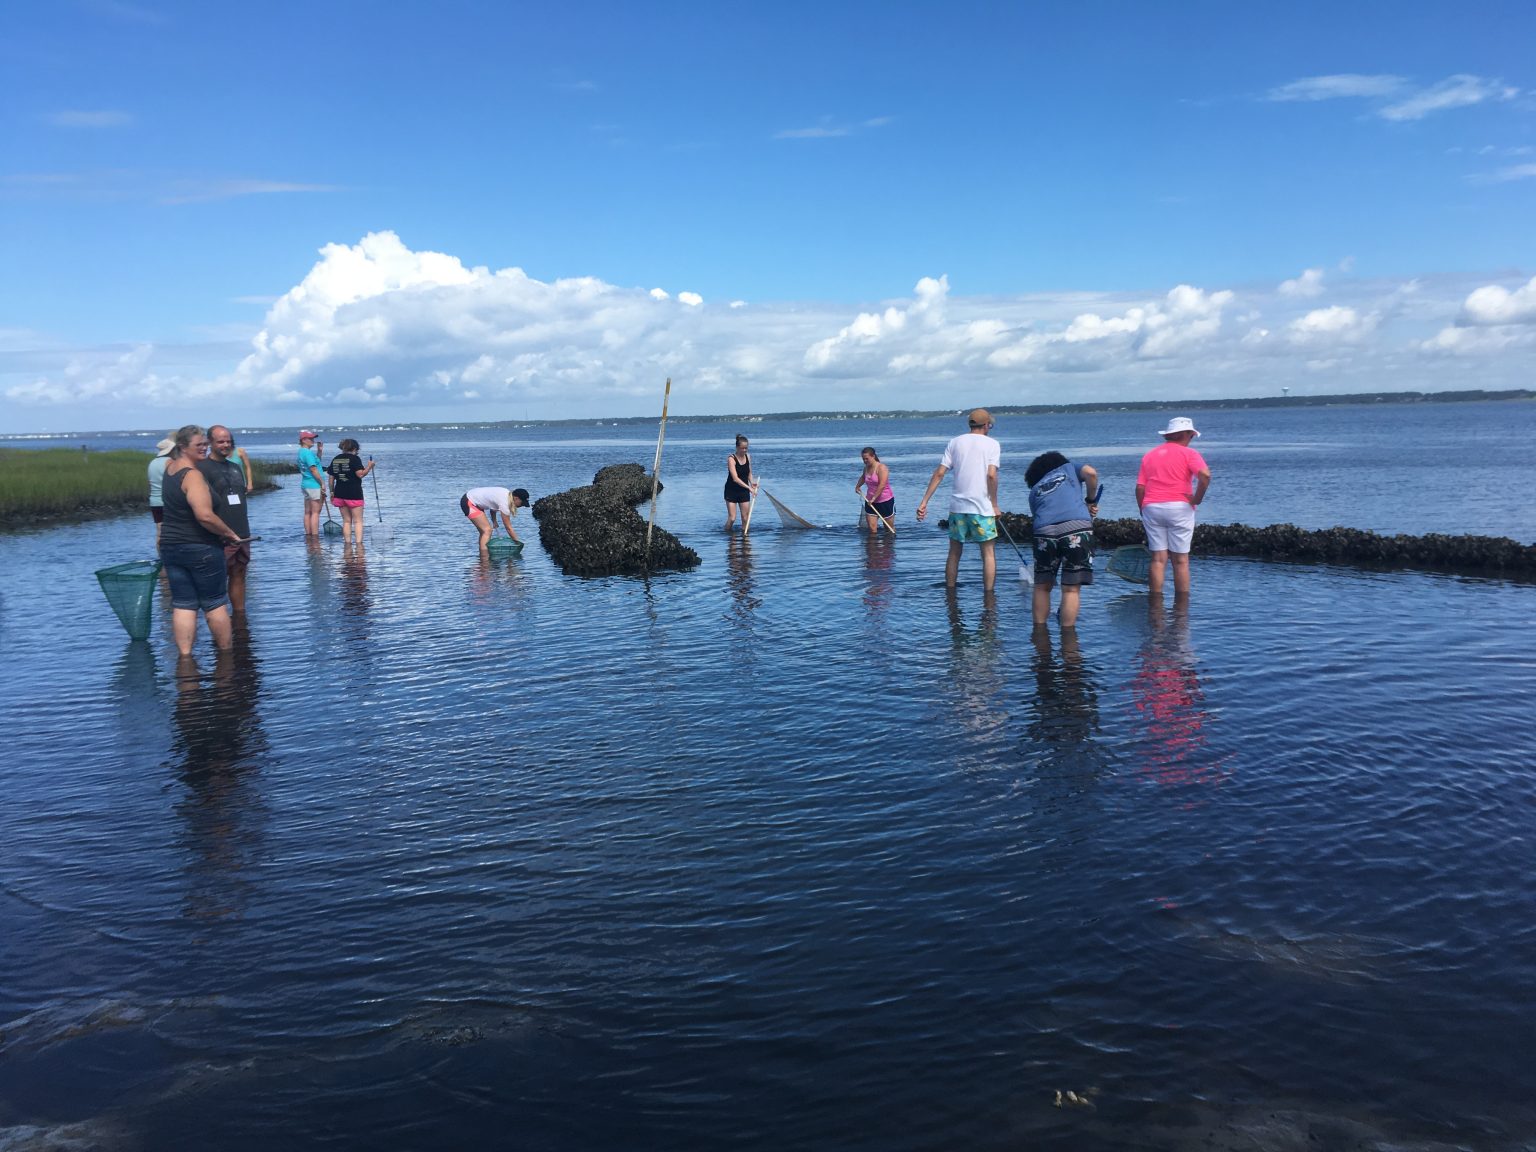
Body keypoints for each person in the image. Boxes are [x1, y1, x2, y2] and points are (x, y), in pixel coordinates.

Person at [160, 425, 245, 656]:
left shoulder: (169, 469)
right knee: (215, 603)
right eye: (199, 445)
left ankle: (185, 658)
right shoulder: (193, 475)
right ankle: (227, 655)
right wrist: (229, 533)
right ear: (182, 447)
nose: (204, 449)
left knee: (183, 603)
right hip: (200, 547)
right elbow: (204, 515)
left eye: (205, 444)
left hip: (170, 547)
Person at [916, 409, 1001, 591]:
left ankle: (950, 591)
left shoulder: (954, 442)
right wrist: (994, 505)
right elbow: (992, 475)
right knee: (988, 554)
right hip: (982, 508)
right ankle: (989, 596)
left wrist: (924, 502)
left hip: (957, 508)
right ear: (986, 425)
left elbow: (940, 473)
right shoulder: (992, 444)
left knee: (954, 553)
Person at [1135, 416, 1212, 602]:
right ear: (1186, 435)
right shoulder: (1190, 454)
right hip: (1180, 507)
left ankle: (1155, 605)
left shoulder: (1150, 455)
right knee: (1181, 561)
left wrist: (1143, 509)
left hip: (1151, 506)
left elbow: (1140, 488)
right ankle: (1181, 609)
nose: (1191, 439)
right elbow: (1205, 476)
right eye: (1191, 435)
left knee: (1158, 559)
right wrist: (1197, 499)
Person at [1025, 450, 1100, 627]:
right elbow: (1091, 473)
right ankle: (1068, 640)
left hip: (1044, 532)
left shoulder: (1034, 491)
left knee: (1042, 586)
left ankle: (1040, 635)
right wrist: (1090, 500)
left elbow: (1038, 516)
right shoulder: (1068, 468)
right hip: (1076, 528)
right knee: (1071, 589)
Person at [203, 425, 253, 613]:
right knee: (217, 579)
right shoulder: (202, 468)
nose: (225, 445)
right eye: (220, 441)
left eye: (228, 441)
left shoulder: (234, 467)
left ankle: (240, 619)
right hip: (218, 536)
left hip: (242, 532)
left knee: (239, 574)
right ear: (210, 443)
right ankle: (219, 620)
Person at [326, 439, 376, 547]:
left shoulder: (335, 459)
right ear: (354, 449)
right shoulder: (355, 459)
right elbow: (360, 474)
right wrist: (369, 466)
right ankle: (359, 545)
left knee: (346, 521)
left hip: (339, 493)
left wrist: (331, 492)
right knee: (358, 521)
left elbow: (331, 479)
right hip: (354, 493)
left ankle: (347, 544)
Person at [462, 486, 530, 549]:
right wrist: (518, 543)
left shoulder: (506, 494)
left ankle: (482, 557)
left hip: (472, 499)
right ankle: (484, 558)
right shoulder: (505, 503)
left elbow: (492, 507)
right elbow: (508, 528)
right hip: (469, 501)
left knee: (484, 532)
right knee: (487, 530)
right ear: (516, 498)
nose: (522, 505)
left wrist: (494, 521)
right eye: (522, 503)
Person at [854, 446, 896, 534]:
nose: (865, 461)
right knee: (872, 529)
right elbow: (863, 477)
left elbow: (882, 485)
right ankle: (872, 547)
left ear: (873, 456)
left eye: (866, 459)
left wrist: (874, 498)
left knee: (888, 528)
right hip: (870, 501)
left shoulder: (882, 468)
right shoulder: (866, 468)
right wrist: (858, 486)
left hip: (885, 501)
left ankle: (888, 546)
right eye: (863, 459)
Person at [723, 434, 758, 531]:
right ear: (737, 447)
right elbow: (735, 478)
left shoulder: (748, 457)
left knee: (745, 518)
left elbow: (749, 473)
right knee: (732, 518)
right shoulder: (731, 459)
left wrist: (753, 483)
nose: (744, 450)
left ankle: (745, 540)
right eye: (742, 448)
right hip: (731, 490)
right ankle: (727, 534)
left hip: (744, 490)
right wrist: (749, 488)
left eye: (746, 448)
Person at [296, 430, 327, 536]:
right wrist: (322, 483)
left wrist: (319, 451)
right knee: (315, 512)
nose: (313, 440)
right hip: (314, 485)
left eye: (313, 438)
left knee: (308, 512)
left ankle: (308, 535)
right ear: (303, 440)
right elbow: (313, 469)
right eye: (310, 438)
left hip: (306, 484)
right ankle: (315, 536)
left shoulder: (301, 452)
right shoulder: (307, 453)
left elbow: (316, 462)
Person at [147, 434, 174, 542]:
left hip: (155, 502)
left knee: (160, 532)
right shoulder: (171, 462)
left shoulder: (152, 463)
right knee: (174, 531)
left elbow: (149, 483)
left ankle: (161, 557)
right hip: (168, 502)